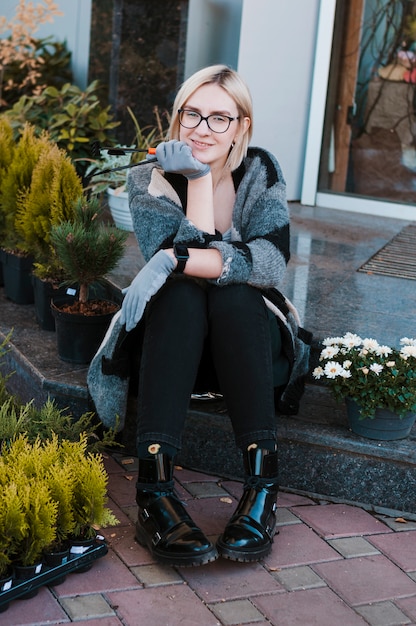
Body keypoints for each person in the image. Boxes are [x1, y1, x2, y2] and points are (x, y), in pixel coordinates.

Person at [87, 64, 311, 568]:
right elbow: (192, 273)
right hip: (174, 346)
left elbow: (271, 262)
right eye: (192, 113)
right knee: (185, 295)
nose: (202, 128)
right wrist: (197, 183)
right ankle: (154, 493)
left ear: (241, 128)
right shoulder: (148, 179)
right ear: (177, 116)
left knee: (235, 296)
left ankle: (262, 488)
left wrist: (172, 258)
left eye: (219, 118)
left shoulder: (261, 169)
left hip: (246, 348)